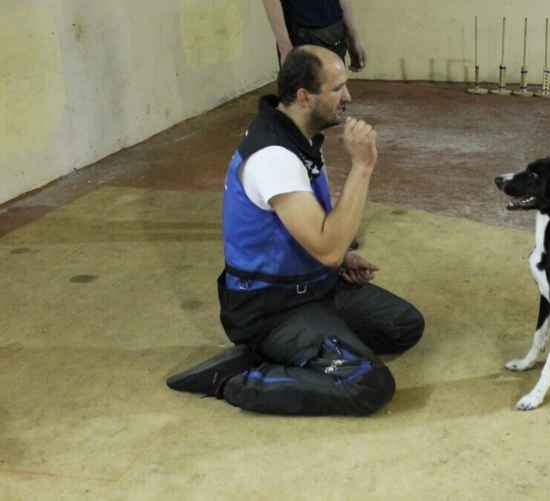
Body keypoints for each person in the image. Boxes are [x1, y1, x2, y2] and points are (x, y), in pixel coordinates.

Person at [166, 46, 424, 416]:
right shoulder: (275, 158)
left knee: (403, 326)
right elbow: (327, 248)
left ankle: (313, 340)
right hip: (271, 309)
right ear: (305, 96)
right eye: (337, 89)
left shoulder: (297, 134)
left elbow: (315, 237)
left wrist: (337, 261)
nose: (348, 97)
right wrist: (362, 168)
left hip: (312, 286)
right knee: (368, 383)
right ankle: (240, 379)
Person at [262, 0, 366, 71]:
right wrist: (285, 48)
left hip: (332, 32)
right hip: (305, 36)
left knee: (334, 98)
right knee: (305, 99)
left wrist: (352, 37)